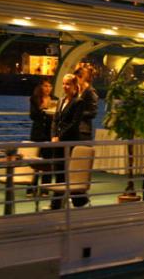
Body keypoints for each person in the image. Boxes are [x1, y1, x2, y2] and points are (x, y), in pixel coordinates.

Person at [48, 73, 85, 209]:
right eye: (63, 83)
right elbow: (55, 120)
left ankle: (56, 204)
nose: (65, 86)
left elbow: (74, 124)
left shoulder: (78, 102)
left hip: (69, 142)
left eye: (68, 84)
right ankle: (79, 200)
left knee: (66, 173)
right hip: (58, 143)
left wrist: (60, 137)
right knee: (58, 171)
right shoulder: (61, 100)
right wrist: (53, 136)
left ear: (74, 85)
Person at [29, 79, 55, 193]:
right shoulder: (34, 99)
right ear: (41, 87)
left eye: (50, 86)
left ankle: (45, 188)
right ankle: (31, 187)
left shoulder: (55, 100)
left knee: (47, 161)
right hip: (37, 133)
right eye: (45, 86)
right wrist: (42, 108)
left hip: (49, 133)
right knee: (34, 161)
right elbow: (33, 116)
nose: (48, 88)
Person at [74, 63, 98, 141]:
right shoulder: (76, 90)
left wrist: (78, 113)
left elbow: (93, 112)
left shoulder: (91, 91)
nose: (77, 78)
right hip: (75, 128)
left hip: (84, 130)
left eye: (80, 76)